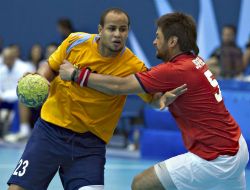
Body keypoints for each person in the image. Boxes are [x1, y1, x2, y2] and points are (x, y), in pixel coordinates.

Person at [60, 12, 249, 190]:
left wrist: (77, 74)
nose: (154, 41)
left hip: (217, 158)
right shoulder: (195, 61)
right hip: (237, 147)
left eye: (158, 37)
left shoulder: (175, 70)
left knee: (141, 184)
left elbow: (120, 86)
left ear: (172, 41)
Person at [7, 8, 186, 190]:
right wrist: (41, 78)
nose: (117, 34)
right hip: (49, 133)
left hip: (89, 146)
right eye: (112, 28)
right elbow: (51, 65)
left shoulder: (134, 66)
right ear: (100, 30)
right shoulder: (76, 42)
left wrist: (162, 100)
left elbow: (152, 98)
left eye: (122, 29)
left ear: (128, 31)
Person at [0, 47, 34, 142]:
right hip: (4, 99)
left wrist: (3, 96)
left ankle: (17, 132)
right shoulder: (1, 70)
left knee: (21, 100)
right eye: (5, 58)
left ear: (13, 57)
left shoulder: (24, 68)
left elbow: (21, 89)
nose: (6, 60)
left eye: (8, 58)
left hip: (18, 98)